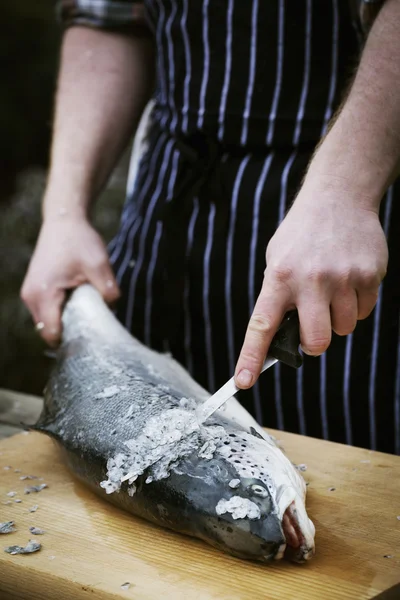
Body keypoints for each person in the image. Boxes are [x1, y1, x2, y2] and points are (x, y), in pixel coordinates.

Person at [21, 0, 400, 454]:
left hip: (351, 211)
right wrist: (64, 214)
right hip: (172, 207)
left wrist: (346, 189)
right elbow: (109, 18)